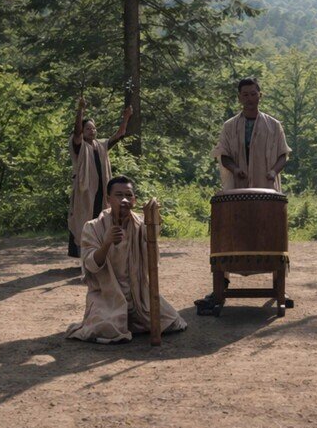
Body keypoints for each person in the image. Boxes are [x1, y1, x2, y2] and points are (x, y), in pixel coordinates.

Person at [66, 175, 187, 343]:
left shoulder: (141, 224)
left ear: (134, 200)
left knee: (172, 322)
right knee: (108, 329)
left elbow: (152, 247)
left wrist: (154, 218)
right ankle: (114, 320)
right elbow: (91, 266)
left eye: (129, 195)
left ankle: (131, 321)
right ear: (108, 199)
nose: (124, 200)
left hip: (139, 296)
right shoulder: (92, 227)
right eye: (118, 195)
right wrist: (106, 243)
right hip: (107, 296)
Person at [67, 96, 132, 258]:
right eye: (88, 128)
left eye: (94, 128)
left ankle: (101, 255)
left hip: (102, 193)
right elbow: (76, 132)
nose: (92, 131)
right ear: (83, 131)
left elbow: (120, 134)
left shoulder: (101, 145)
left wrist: (126, 117)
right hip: (85, 193)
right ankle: (85, 256)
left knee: (102, 222)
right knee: (84, 222)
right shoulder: (79, 145)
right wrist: (80, 110)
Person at [211, 78, 290, 191]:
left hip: (266, 186)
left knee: (265, 202)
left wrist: (273, 172)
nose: (250, 99)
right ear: (239, 97)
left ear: (260, 96)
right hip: (238, 187)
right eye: (245, 95)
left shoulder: (274, 126)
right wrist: (235, 169)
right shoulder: (229, 126)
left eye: (253, 94)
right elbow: (224, 155)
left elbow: (283, 154)